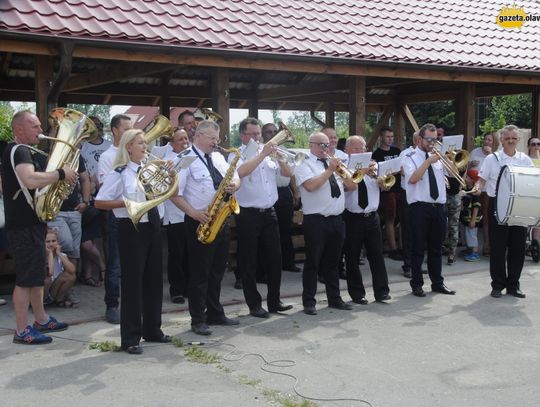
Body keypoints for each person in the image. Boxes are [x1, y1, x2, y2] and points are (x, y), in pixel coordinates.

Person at [1, 110, 77, 344]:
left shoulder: (24, 151)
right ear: (19, 130)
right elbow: (30, 179)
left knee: (35, 275)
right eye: (34, 127)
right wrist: (61, 173)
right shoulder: (20, 150)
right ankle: (22, 330)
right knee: (25, 279)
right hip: (23, 225)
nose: (41, 131)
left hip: (31, 223)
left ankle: (41, 320)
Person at [95, 128, 171, 354]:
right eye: (140, 143)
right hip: (132, 228)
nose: (144, 147)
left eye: (145, 143)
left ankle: (152, 330)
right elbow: (100, 202)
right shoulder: (119, 173)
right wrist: (126, 204)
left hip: (154, 225)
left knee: (154, 281)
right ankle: (130, 338)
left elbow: (163, 192)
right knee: (132, 284)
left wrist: (167, 172)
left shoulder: (149, 169)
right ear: (128, 146)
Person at [171, 120, 240, 336]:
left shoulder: (218, 157)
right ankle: (197, 319)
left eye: (217, 139)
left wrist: (235, 184)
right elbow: (174, 193)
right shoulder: (184, 159)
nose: (216, 143)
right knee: (200, 273)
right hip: (199, 220)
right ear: (198, 136)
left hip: (220, 218)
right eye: (212, 138)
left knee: (218, 270)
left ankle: (215, 313)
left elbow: (235, 174)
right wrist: (193, 213)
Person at [233, 118, 293, 318]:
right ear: (243, 136)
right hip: (248, 214)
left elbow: (287, 175)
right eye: (253, 134)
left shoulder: (268, 155)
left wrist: (280, 158)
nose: (257, 138)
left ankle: (274, 301)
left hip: (270, 212)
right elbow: (241, 172)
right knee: (249, 261)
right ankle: (254, 305)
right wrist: (264, 154)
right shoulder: (237, 155)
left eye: (258, 134)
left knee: (275, 258)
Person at [294, 131, 356, 315]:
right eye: (321, 145)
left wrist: (341, 171)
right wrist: (329, 170)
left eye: (327, 145)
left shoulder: (335, 163)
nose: (325, 148)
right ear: (311, 145)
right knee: (313, 262)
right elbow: (310, 186)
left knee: (333, 262)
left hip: (337, 219)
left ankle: (334, 299)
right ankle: (309, 301)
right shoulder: (303, 163)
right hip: (316, 220)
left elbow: (353, 186)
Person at [473, 125, 533, 298]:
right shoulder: (492, 159)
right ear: (502, 140)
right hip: (497, 206)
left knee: (518, 248)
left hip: (519, 207)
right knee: (498, 248)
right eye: (508, 138)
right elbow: (482, 180)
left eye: (514, 138)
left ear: (518, 140)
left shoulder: (525, 160)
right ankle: (498, 285)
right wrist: (477, 187)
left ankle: (514, 285)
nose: (511, 141)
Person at [402, 123, 456, 297]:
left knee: (436, 248)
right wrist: (428, 161)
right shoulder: (409, 157)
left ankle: (437, 283)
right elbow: (412, 179)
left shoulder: (439, 158)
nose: (432, 142)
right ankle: (416, 284)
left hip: (439, 208)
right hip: (419, 207)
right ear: (420, 139)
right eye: (429, 139)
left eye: (435, 139)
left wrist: (451, 160)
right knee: (418, 248)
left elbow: (454, 175)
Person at [343, 136, 391, 304]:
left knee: (377, 255)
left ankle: (382, 291)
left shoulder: (373, 165)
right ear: (347, 150)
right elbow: (347, 186)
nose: (361, 152)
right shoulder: (343, 166)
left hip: (372, 217)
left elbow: (385, 186)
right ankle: (357, 294)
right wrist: (362, 171)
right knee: (352, 257)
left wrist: (383, 182)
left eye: (363, 148)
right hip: (352, 217)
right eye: (356, 149)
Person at [97, 114, 132, 324]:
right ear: (115, 131)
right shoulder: (107, 156)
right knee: (116, 263)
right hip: (117, 215)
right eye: (126, 128)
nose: (130, 131)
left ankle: (133, 304)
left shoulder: (138, 154)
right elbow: (104, 190)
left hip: (137, 217)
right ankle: (112, 305)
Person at [262, 122, 300, 273]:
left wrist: (295, 192)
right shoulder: (260, 151)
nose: (272, 134)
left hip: (284, 193)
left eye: (275, 131)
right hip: (267, 193)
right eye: (268, 132)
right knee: (267, 232)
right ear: (263, 135)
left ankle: (288, 262)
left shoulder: (284, 151)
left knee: (286, 229)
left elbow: (291, 174)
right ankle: (268, 267)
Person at [162, 128, 191, 304]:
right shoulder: (167, 160)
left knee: (191, 253)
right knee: (177, 254)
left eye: (186, 138)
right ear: (172, 143)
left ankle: (189, 286)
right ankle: (176, 289)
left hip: (193, 211)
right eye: (180, 139)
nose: (185, 141)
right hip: (175, 213)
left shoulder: (194, 155)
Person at [371, 126, 403, 260]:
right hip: (387, 191)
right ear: (381, 137)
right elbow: (376, 174)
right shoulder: (376, 154)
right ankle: (393, 249)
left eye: (392, 137)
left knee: (402, 219)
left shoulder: (397, 151)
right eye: (387, 137)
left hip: (400, 189)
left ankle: (403, 247)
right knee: (390, 219)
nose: (390, 139)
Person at [469, 132, 499, 257]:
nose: (487, 142)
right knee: (471, 217)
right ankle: (472, 247)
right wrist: (470, 165)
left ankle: (487, 245)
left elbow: (499, 170)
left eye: (490, 140)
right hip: (475, 188)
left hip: (488, 190)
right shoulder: (475, 152)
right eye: (485, 139)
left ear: (494, 142)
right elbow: (466, 168)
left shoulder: (497, 155)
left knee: (487, 218)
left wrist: (490, 154)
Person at [43, 228, 77, 307]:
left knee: (70, 275)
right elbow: (50, 273)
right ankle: (41, 303)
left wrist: (58, 253)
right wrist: (50, 255)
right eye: (47, 242)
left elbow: (72, 270)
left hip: (53, 288)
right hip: (43, 289)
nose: (51, 244)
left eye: (53, 241)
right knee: (47, 279)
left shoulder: (61, 255)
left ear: (58, 242)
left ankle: (59, 300)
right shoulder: (41, 256)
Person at [461, 169, 482, 262]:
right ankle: (469, 249)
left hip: (473, 218)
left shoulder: (474, 192)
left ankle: (475, 252)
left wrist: (473, 220)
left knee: (471, 235)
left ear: (472, 180)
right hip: (466, 217)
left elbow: (476, 206)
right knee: (467, 234)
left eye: (467, 177)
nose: (465, 178)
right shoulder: (465, 189)